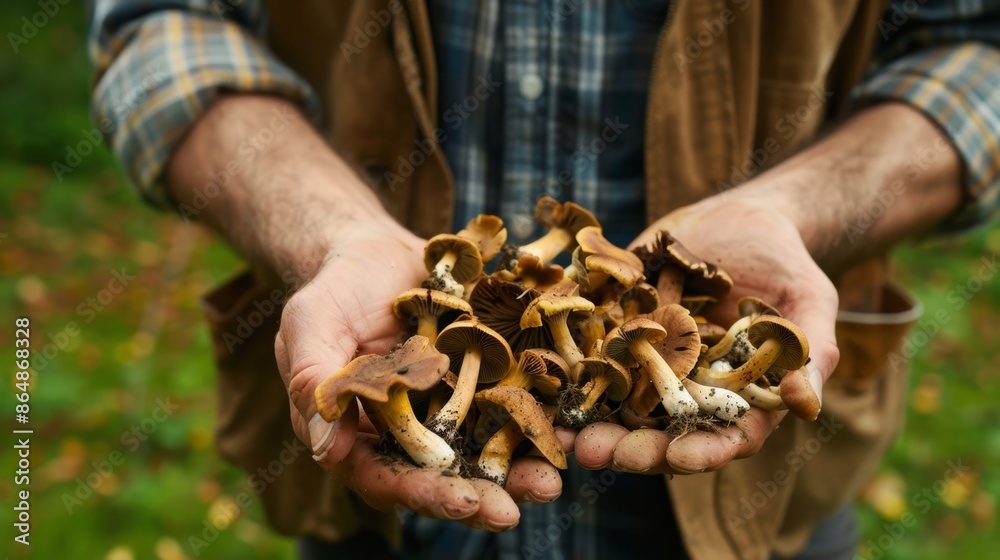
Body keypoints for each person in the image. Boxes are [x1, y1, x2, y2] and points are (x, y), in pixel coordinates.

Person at [89, 1, 999, 558]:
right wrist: (335, 234)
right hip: (369, 507)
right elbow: (159, 27)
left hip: (765, 518)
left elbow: (980, 50)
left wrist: (793, 208)